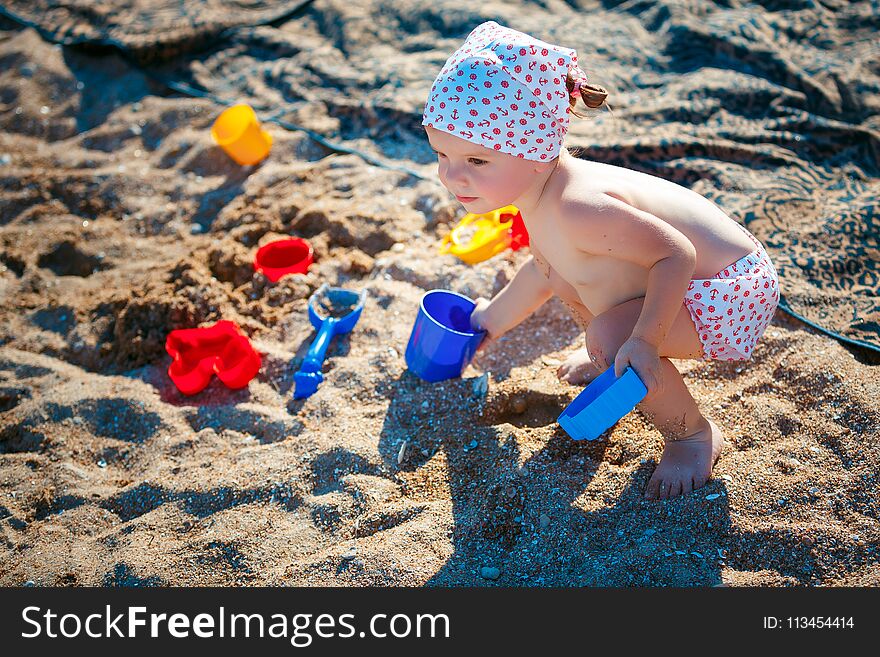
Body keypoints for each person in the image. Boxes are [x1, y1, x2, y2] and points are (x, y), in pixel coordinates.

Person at [422, 21, 779, 500]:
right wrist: (489, 321)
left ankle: (692, 435)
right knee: (564, 273)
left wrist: (644, 342)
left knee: (612, 336)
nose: (452, 176)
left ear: (534, 149)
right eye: (441, 154)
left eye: (477, 161)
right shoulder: (540, 189)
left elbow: (677, 253)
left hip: (729, 291)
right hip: (684, 271)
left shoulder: (577, 207)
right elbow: (543, 269)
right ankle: (613, 353)